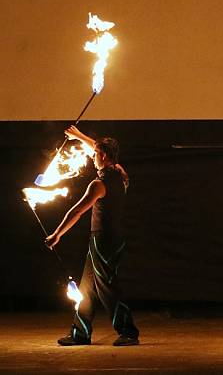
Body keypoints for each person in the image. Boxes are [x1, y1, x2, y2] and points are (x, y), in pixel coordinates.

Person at [45, 125, 139, 346]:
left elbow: (76, 211)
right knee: (87, 287)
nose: (91, 157)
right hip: (112, 238)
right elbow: (95, 148)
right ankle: (81, 333)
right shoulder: (121, 173)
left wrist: (57, 234)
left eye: (95, 155)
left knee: (107, 287)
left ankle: (129, 332)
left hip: (103, 240)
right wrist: (78, 136)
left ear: (103, 156)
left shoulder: (98, 184)